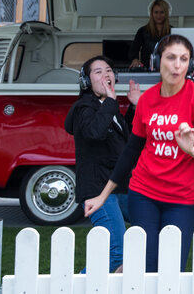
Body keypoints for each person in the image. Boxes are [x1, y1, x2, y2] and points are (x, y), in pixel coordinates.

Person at [85, 35, 194, 272]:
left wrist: (191, 150)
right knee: (145, 265)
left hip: (181, 198)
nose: (177, 65)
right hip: (144, 194)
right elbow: (131, 150)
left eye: (184, 59)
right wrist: (103, 196)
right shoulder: (147, 100)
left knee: (172, 267)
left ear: (190, 65)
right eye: (171, 58)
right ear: (157, 61)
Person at [65, 56, 141, 272]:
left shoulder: (107, 105)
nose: (106, 75)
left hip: (120, 187)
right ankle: (75, 286)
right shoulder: (84, 108)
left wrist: (134, 107)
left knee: (148, 227)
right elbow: (95, 133)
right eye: (98, 71)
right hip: (98, 189)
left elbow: (123, 136)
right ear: (87, 81)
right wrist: (111, 101)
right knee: (117, 253)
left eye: (108, 70)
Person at [129, 0, 172, 68]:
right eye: (156, 12)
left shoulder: (173, 31)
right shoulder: (142, 31)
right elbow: (134, 50)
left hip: (168, 69)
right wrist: (135, 59)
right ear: (151, 13)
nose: (159, 15)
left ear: (167, 14)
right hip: (147, 69)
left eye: (162, 12)